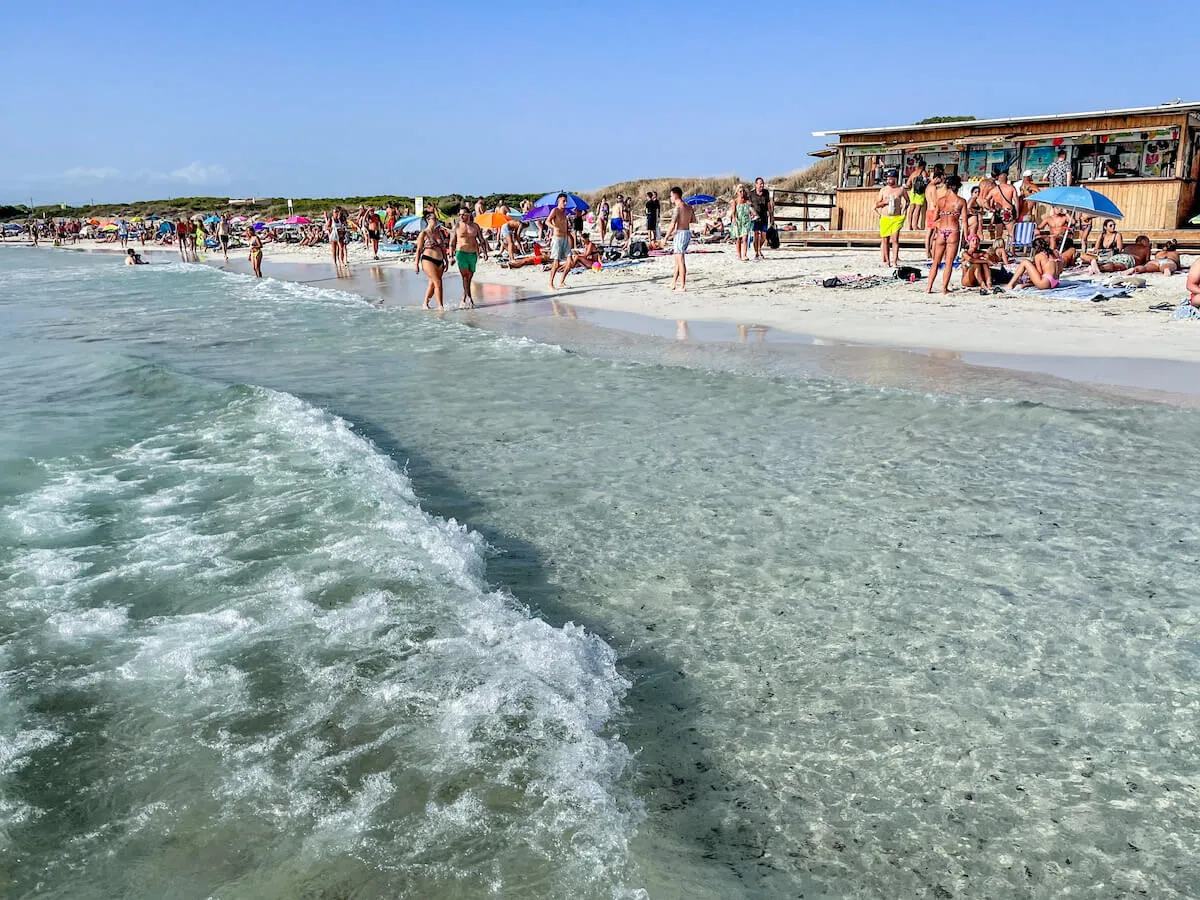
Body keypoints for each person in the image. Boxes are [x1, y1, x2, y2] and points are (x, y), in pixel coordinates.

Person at [927, 174, 965, 295]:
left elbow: (934, 218)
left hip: (941, 231)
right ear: (957, 187)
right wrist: (967, 237)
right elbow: (964, 221)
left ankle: (928, 287)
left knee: (936, 261)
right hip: (953, 231)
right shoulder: (961, 201)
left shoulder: (940, 200)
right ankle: (944, 289)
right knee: (949, 262)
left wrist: (939, 224)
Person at [449, 206, 488, 308]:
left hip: (473, 253)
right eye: (459, 214)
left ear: (469, 214)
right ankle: (469, 298)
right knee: (464, 276)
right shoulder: (457, 226)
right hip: (461, 253)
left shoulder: (475, 226)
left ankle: (464, 297)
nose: (461, 216)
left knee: (469, 277)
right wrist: (451, 256)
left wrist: (485, 252)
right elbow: (452, 242)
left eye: (463, 214)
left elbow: (481, 239)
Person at [663, 186, 695, 292]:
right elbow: (693, 220)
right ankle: (673, 283)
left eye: (671, 195)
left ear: (675, 195)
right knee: (677, 259)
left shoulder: (678, 208)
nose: (670, 198)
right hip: (686, 233)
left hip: (681, 234)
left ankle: (682, 285)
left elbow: (672, 225)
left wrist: (665, 238)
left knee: (680, 260)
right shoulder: (689, 206)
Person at [414, 211, 448, 309]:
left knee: (433, 283)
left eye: (436, 219)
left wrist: (446, 260)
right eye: (434, 219)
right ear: (428, 220)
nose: (436, 221)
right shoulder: (423, 233)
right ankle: (440, 306)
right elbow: (419, 249)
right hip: (428, 260)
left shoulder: (439, 232)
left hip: (440, 260)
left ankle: (425, 303)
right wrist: (416, 264)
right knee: (438, 282)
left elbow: (443, 248)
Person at [874, 170, 907, 267]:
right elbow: (877, 204)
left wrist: (904, 210)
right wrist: (884, 203)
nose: (889, 180)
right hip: (885, 217)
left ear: (895, 178)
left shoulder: (901, 189)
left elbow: (907, 201)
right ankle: (887, 261)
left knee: (895, 239)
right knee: (885, 240)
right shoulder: (883, 190)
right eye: (887, 178)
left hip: (896, 217)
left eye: (890, 178)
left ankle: (895, 261)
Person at [545, 193, 573, 290]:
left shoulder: (565, 212)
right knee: (556, 264)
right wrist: (554, 227)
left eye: (566, 201)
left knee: (570, 262)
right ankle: (550, 283)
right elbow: (547, 221)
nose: (565, 203)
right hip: (557, 239)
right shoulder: (555, 210)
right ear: (558, 201)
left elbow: (565, 224)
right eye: (563, 201)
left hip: (565, 238)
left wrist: (568, 224)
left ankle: (561, 281)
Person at [985, 170, 1019, 238]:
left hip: (998, 211)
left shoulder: (994, 190)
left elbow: (985, 201)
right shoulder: (1011, 188)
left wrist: (990, 208)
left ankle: (999, 248)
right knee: (1011, 233)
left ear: (999, 180)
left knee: (998, 234)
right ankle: (1012, 248)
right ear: (1007, 180)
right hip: (1008, 211)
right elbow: (1016, 201)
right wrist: (1017, 212)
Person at [749, 177, 773, 259]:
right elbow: (748, 205)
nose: (762, 185)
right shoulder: (751, 193)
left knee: (763, 235)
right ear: (756, 184)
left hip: (764, 216)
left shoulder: (766, 193)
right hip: (755, 217)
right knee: (756, 235)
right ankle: (757, 252)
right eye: (760, 184)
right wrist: (750, 214)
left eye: (763, 183)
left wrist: (772, 216)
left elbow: (769, 205)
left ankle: (759, 248)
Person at [729, 184, 753, 261]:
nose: (742, 192)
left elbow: (751, 210)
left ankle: (745, 255)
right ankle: (739, 255)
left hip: (746, 221)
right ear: (737, 192)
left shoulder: (747, 201)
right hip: (738, 221)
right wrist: (734, 220)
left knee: (745, 238)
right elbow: (733, 212)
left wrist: (752, 215)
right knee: (738, 239)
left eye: (743, 191)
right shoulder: (735, 201)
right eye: (740, 191)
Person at [906, 160, 928, 233]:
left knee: (911, 208)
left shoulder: (913, 173)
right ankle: (915, 226)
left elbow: (908, 183)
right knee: (918, 209)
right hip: (920, 192)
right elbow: (925, 182)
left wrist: (912, 187)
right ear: (924, 166)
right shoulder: (923, 172)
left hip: (913, 191)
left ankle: (909, 226)